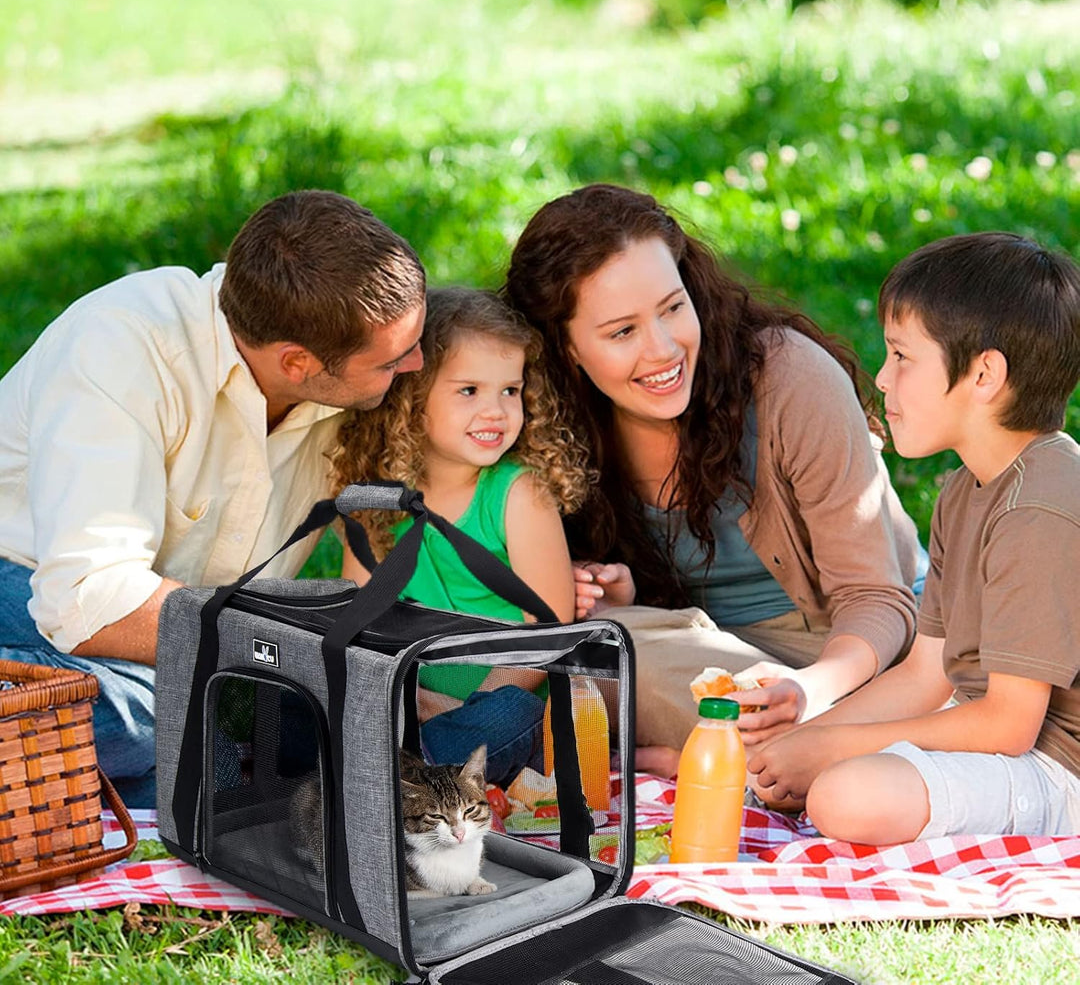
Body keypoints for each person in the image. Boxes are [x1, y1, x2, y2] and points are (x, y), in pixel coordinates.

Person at [0, 190, 426, 806]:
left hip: (164, 635)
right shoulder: (123, 346)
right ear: (297, 362)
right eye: (391, 361)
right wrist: (286, 644)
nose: (416, 363)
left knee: (291, 745)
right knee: (194, 741)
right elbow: (87, 599)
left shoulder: (337, 358)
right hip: (26, 580)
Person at [505, 183, 920, 778]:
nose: (664, 348)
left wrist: (809, 690)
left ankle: (778, 749)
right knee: (585, 651)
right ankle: (790, 753)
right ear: (564, 347)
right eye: (622, 332)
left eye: (673, 308)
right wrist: (611, 593)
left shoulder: (789, 380)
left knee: (623, 688)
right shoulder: (543, 424)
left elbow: (878, 598)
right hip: (695, 657)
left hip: (846, 648)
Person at [747, 232, 1080, 842]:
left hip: (1059, 767)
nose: (881, 378)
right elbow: (927, 675)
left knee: (845, 794)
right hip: (981, 729)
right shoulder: (964, 489)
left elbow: (1010, 725)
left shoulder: (1042, 505)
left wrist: (832, 751)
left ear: (983, 374)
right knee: (810, 766)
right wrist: (807, 740)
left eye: (902, 357)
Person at [332, 285, 590, 785]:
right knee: (302, 693)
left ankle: (396, 773)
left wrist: (469, 707)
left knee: (508, 719)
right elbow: (358, 626)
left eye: (510, 391)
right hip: (410, 697)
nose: (496, 411)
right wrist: (413, 700)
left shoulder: (518, 494)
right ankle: (403, 765)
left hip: (503, 705)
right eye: (469, 390)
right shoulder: (375, 500)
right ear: (411, 400)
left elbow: (545, 634)